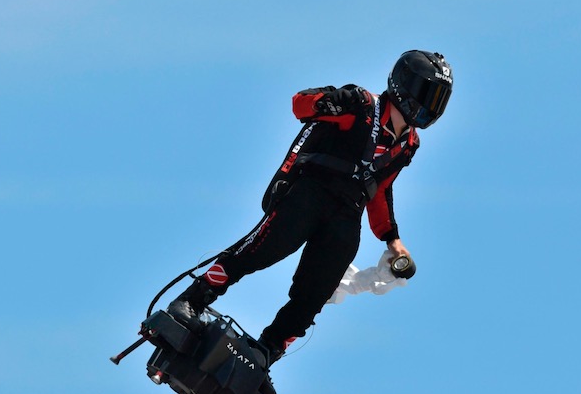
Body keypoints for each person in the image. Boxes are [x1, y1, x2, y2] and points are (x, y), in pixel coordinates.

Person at [167, 50, 453, 366]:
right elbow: (300, 104)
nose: (432, 105)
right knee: (260, 251)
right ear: (404, 85)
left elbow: (382, 189)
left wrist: (392, 239)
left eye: (440, 98)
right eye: (429, 93)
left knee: (317, 291)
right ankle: (192, 300)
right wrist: (329, 101)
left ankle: (265, 354)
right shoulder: (362, 106)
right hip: (312, 192)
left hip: (348, 213)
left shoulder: (409, 144)